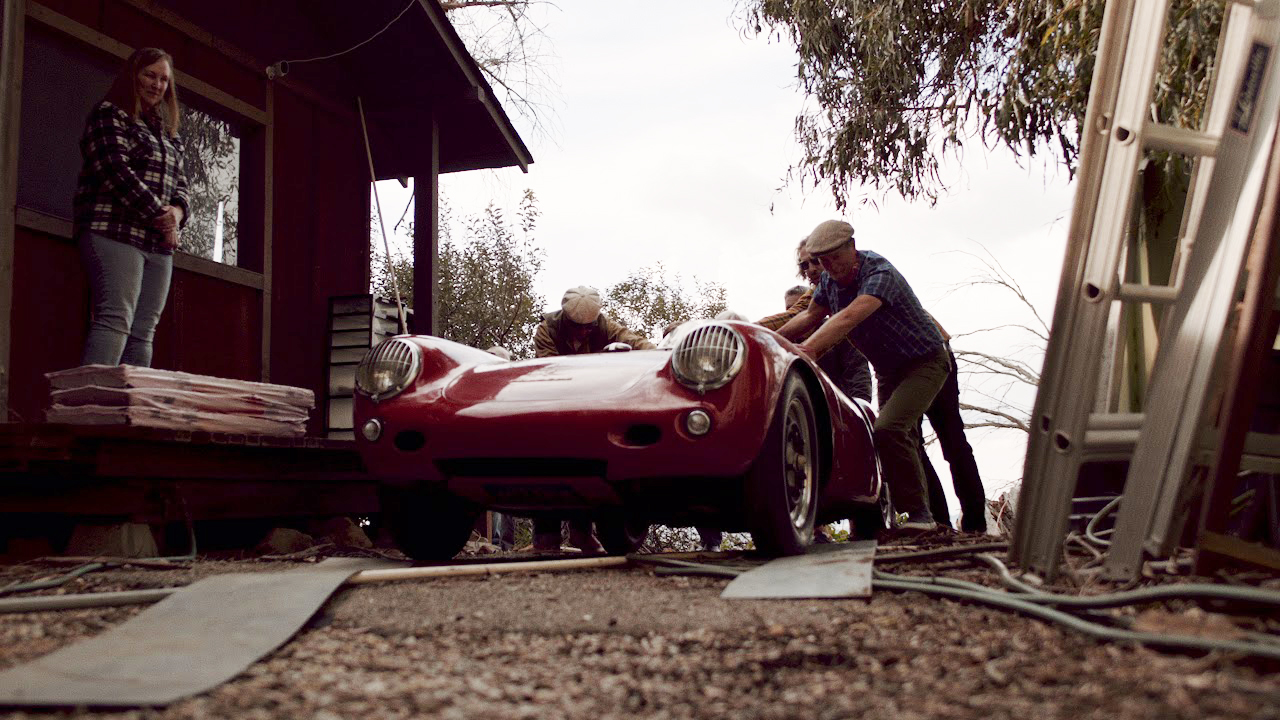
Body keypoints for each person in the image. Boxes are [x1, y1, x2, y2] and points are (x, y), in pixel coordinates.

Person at [776, 220, 950, 530]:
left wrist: (807, 351)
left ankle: (922, 517)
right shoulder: (829, 282)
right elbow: (808, 316)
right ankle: (925, 518)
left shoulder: (879, 273)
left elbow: (847, 318)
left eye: (835, 258)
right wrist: (770, 340)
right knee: (897, 438)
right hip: (888, 371)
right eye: (822, 262)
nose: (830, 267)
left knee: (890, 430)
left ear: (851, 248)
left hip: (925, 362)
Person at [74, 47, 190, 368]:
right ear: (133, 75)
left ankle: (128, 411)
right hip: (114, 231)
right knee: (115, 319)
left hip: (158, 245)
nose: (157, 85)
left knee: (143, 332)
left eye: (164, 79)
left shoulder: (170, 135)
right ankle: (90, 409)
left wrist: (176, 216)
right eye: (149, 75)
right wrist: (163, 218)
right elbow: (114, 170)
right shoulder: (110, 113)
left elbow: (182, 188)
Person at [531, 286, 656, 552]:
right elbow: (550, 369)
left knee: (586, 466)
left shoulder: (604, 325)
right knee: (546, 466)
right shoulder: (547, 330)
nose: (584, 332)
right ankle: (546, 535)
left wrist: (657, 353)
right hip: (554, 408)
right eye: (578, 327)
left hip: (586, 411)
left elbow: (632, 339)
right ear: (566, 319)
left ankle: (581, 532)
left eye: (589, 327)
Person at [760, 240, 872, 405]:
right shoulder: (820, 294)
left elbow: (857, 370)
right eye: (804, 265)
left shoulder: (864, 275)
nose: (811, 269)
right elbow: (797, 314)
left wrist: (862, 408)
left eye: (815, 261)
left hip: (910, 353)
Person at [915, 323, 988, 533]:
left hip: (931, 354)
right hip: (915, 358)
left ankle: (971, 524)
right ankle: (941, 523)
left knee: (950, 439)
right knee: (914, 443)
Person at [485, 345, 518, 550]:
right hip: (488, 449)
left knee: (512, 497)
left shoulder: (511, 386)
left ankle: (504, 544)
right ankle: (494, 542)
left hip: (510, 448)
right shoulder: (480, 384)